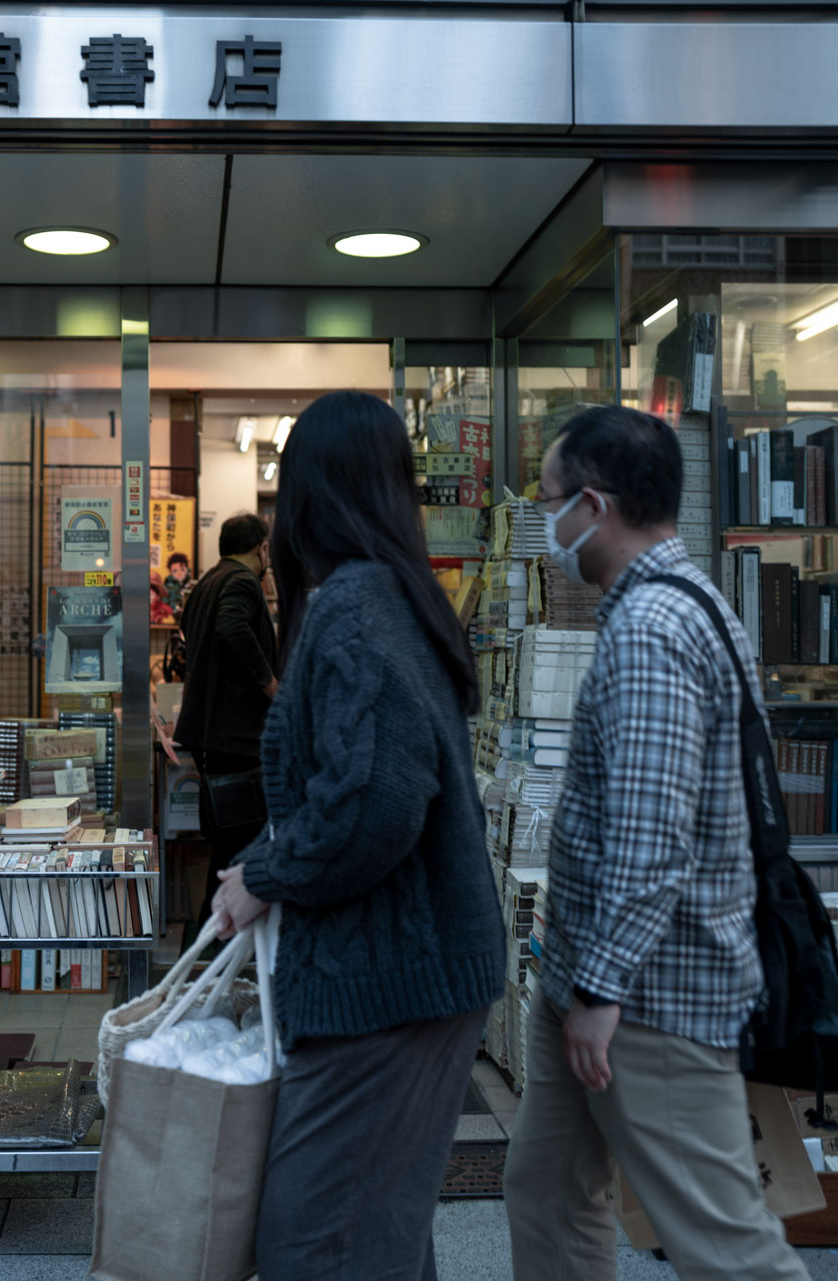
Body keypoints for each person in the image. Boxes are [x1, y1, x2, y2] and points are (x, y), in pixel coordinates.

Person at [503, 407, 807, 1281]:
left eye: (551, 500)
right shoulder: (686, 602)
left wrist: (599, 986)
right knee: (548, 1190)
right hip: (596, 979)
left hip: (648, 994)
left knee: (726, 1242)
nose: (547, 521)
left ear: (594, 505)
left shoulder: (647, 633)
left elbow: (649, 834)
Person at [212, 392, 504, 1280]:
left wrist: (262, 874)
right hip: (408, 977)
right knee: (375, 1233)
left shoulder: (355, 608)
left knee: (313, 1242)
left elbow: (373, 801)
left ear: (308, 494)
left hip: (385, 987)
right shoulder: (396, 597)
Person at [173, 513, 276, 931]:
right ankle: (210, 945)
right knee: (239, 850)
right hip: (235, 738)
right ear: (260, 549)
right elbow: (233, 629)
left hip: (210, 738)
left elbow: (191, 632)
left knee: (227, 847)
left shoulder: (206, 584)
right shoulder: (242, 582)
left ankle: (208, 948)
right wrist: (271, 686)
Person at [163, 550, 193, 616]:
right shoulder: (167, 587)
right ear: (171, 573)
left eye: (182, 570)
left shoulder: (193, 583)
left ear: (187, 569)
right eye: (175, 571)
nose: (179, 574)